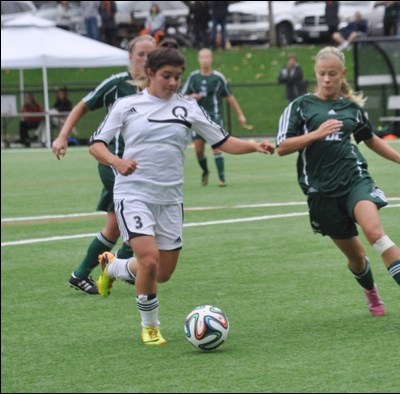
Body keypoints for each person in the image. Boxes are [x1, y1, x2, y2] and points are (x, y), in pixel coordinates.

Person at [88, 47, 275, 345]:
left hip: (170, 199)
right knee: (148, 261)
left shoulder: (188, 107)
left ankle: (112, 267)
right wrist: (117, 161)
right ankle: (150, 327)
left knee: (162, 272)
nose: (173, 83)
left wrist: (254, 146)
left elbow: (223, 140)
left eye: (177, 77)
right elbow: (96, 144)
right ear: (150, 74)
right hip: (133, 193)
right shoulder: (127, 105)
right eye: (166, 76)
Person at [275, 46, 400, 319]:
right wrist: (315, 134)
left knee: (375, 234)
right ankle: (371, 291)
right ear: (316, 73)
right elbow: (282, 146)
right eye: (322, 74)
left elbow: (370, 139)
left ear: (342, 74)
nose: (326, 79)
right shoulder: (301, 106)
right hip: (321, 192)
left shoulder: (351, 109)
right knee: (357, 258)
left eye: (332, 74)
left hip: (354, 180)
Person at [51, 35, 156, 295]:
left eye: (150, 55)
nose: (145, 59)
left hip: (138, 168)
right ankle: (123, 264)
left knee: (115, 226)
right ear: (130, 57)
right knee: (137, 214)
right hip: (113, 163)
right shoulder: (117, 84)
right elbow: (82, 106)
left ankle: (83, 273)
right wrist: (63, 135)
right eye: (141, 54)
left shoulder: (156, 89)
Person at [181, 48, 250, 187]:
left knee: (217, 146)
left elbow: (230, 96)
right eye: (202, 57)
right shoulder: (193, 77)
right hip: (197, 118)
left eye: (207, 57)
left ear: (211, 59)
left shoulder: (218, 77)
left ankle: (222, 179)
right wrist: (191, 97)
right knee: (198, 150)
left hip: (214, 117)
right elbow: (181, 96)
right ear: (198, 60)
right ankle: (205, 171)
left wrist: (240, 115)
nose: (205, 60)